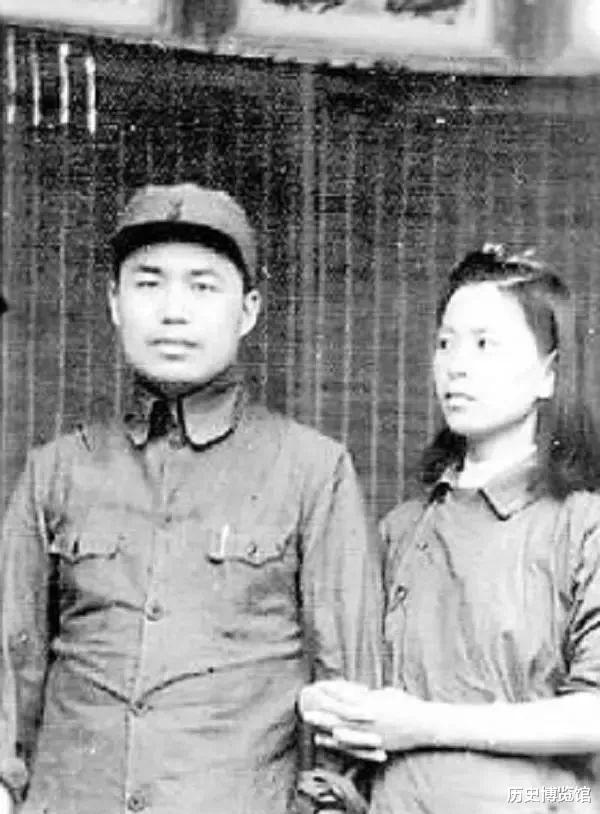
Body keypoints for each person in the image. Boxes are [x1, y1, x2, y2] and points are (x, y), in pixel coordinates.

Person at [0, 183, 383, 814]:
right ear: (114, 302)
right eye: (148, 283)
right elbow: (10, 673)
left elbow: (348, 692)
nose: (173, 311)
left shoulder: (313, 471)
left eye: (203, 286)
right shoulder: (56, 471)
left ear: (249, 310)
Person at [300, 245, 600, 813]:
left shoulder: (583, 524)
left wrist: (425, 726)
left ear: (549, 373)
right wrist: (333, 706)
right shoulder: (400, 530)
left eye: (485, 344)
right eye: (446, 343)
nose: (456, 365)